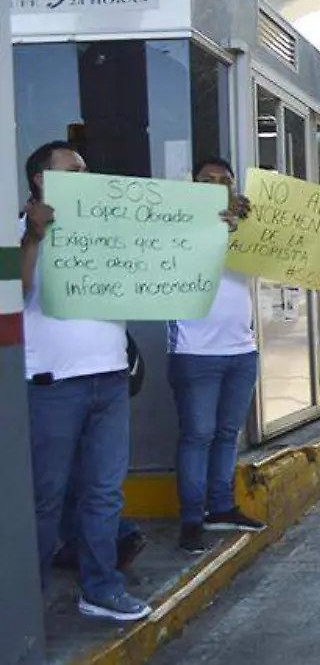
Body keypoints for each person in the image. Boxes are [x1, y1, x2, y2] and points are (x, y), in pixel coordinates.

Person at [21, 142, 236, 621]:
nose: (84, 172)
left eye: (85, 165)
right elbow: (14, 292)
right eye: (72, 169)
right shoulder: (18, 230)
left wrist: (208, 227)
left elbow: (166, 248)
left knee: (103, 493)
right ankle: (25, 602)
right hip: (51, 384)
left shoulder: (109, 227)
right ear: (41, 180)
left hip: (110, 379)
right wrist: (33, 238)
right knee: (46, 498)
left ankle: (100, 588)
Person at [167, 158, 265, 555]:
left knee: (227, 434)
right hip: (195, 351)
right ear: (193, 186)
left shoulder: (246, 226)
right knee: (197, 436)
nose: (217, 185)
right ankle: (192, 518)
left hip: (241, 349)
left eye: (224, 180)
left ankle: (220, 506)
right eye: (207, 180)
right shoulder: (177, 228)